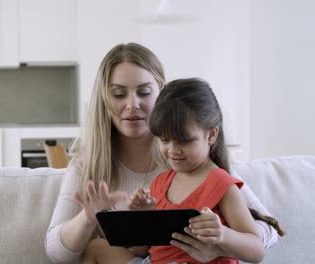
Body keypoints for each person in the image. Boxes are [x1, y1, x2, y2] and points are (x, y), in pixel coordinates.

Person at [45, 43, 279, 264]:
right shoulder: (154, 181)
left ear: (162, 93)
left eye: (144, 92)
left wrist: (221, 242)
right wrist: (92, 219)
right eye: (119, 94)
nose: (132, 104)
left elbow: (267, 231)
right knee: (97, 247)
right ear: (104, 99)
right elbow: (140, 250)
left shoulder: (207, 170)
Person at [82, 78, 286, 264]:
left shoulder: (222, 184)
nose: (172, 150)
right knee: (95, 248)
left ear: (211, 135)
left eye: (185, 140)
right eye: (164, 140)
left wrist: (223, 235)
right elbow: (143, 251)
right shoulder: (160, 182)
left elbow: (257, 251)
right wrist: (141, 217)